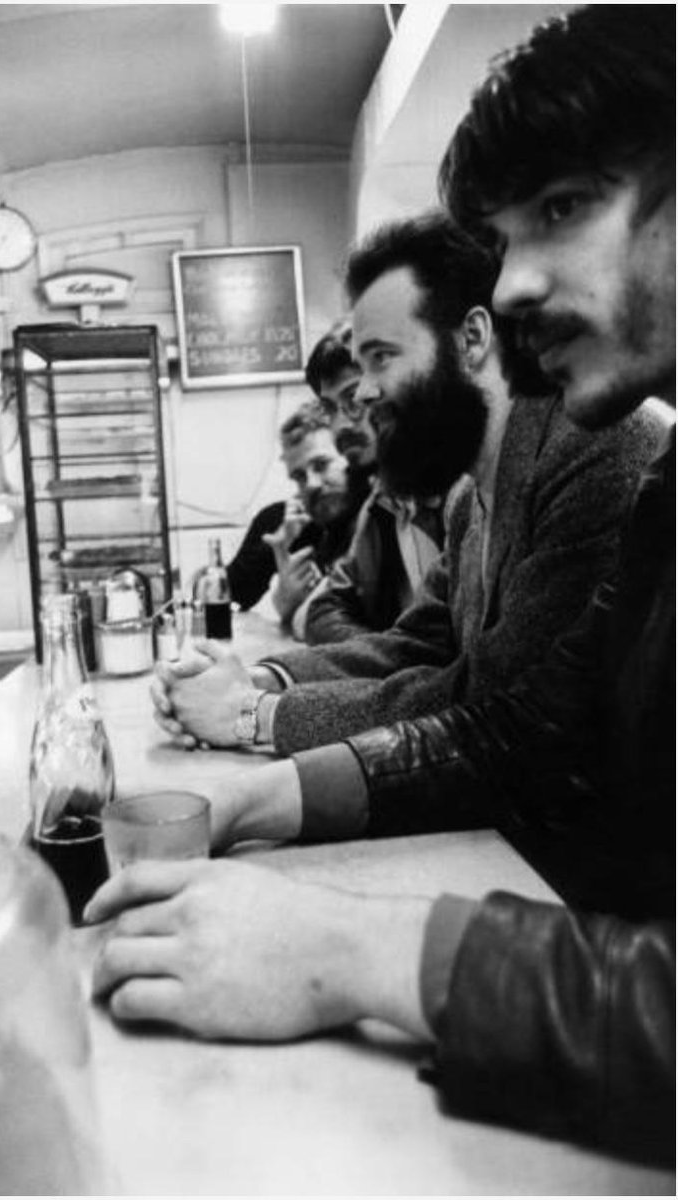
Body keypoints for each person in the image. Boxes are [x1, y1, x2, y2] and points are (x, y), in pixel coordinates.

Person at [87, 5, 675, 1163]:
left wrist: (355, 950)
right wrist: (269, 792)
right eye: (504, 240)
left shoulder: (610, 452)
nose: (511, 289)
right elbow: (518, 729)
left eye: (564, 207)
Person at [151, 213, 663, 754]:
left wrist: (252, 716)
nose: (365, 395)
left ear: (472, 339)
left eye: (382, 357)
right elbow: (414, 645)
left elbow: (500, 698)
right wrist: (258, 679)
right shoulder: (469, 500)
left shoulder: (595, 445)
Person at [304, 318, 447, 643]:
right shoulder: (384, 502)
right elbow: (324, 610)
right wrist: (379, 655)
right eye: (329, 409)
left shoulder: (460, 490)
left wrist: (382, 658)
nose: (340, 426)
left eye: (353, 398)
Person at [222, 403, 369, 629]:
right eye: (299, 476)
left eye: (321, 465)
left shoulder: (375, 518)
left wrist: (288, 606)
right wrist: (276, 548)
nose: (311, 484)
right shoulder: (288, 518)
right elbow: (229, 595)